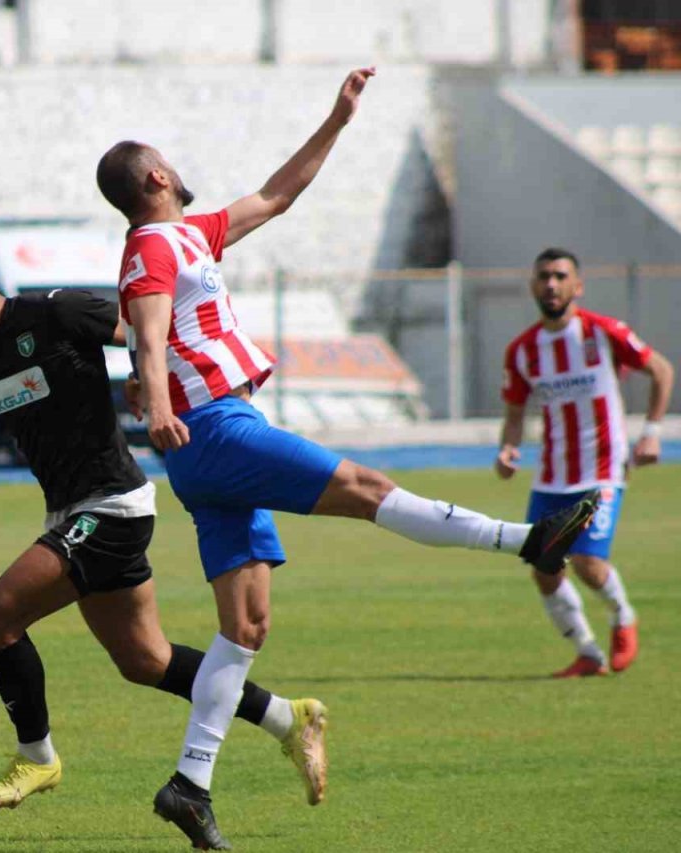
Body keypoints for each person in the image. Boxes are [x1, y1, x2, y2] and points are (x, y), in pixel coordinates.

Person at [96, 68, 599, 850]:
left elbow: (277, 194)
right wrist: (156, 400)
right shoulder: (155, 244)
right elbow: (149, 330)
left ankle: (189, 783)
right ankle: (526, 540)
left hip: (211, 435)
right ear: (157, 177)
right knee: (366, 486)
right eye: (169, 159)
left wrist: (337, 119)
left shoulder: (188, 234)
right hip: (215, 429)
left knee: (246, 625)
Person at [0, 247, 329, 830]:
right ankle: (287, 717)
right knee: (145, 661)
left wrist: (156, 390)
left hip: (114, 506)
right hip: (71, 512)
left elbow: (144, 332)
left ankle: (35, 758)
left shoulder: (55, 313)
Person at [496, 247, 673, 678]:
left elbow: (662, 370)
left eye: (560, 276)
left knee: (589, 565)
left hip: (603, 469)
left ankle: (622, 616)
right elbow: (516, 412)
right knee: (543, 570)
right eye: (544, 277)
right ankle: (588, 654)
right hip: (552, 476)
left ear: (578, 285)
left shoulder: (602, 332)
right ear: (533, 285)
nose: (551, 284)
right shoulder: (522, 350)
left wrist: (650, 433)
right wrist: (508, 448)